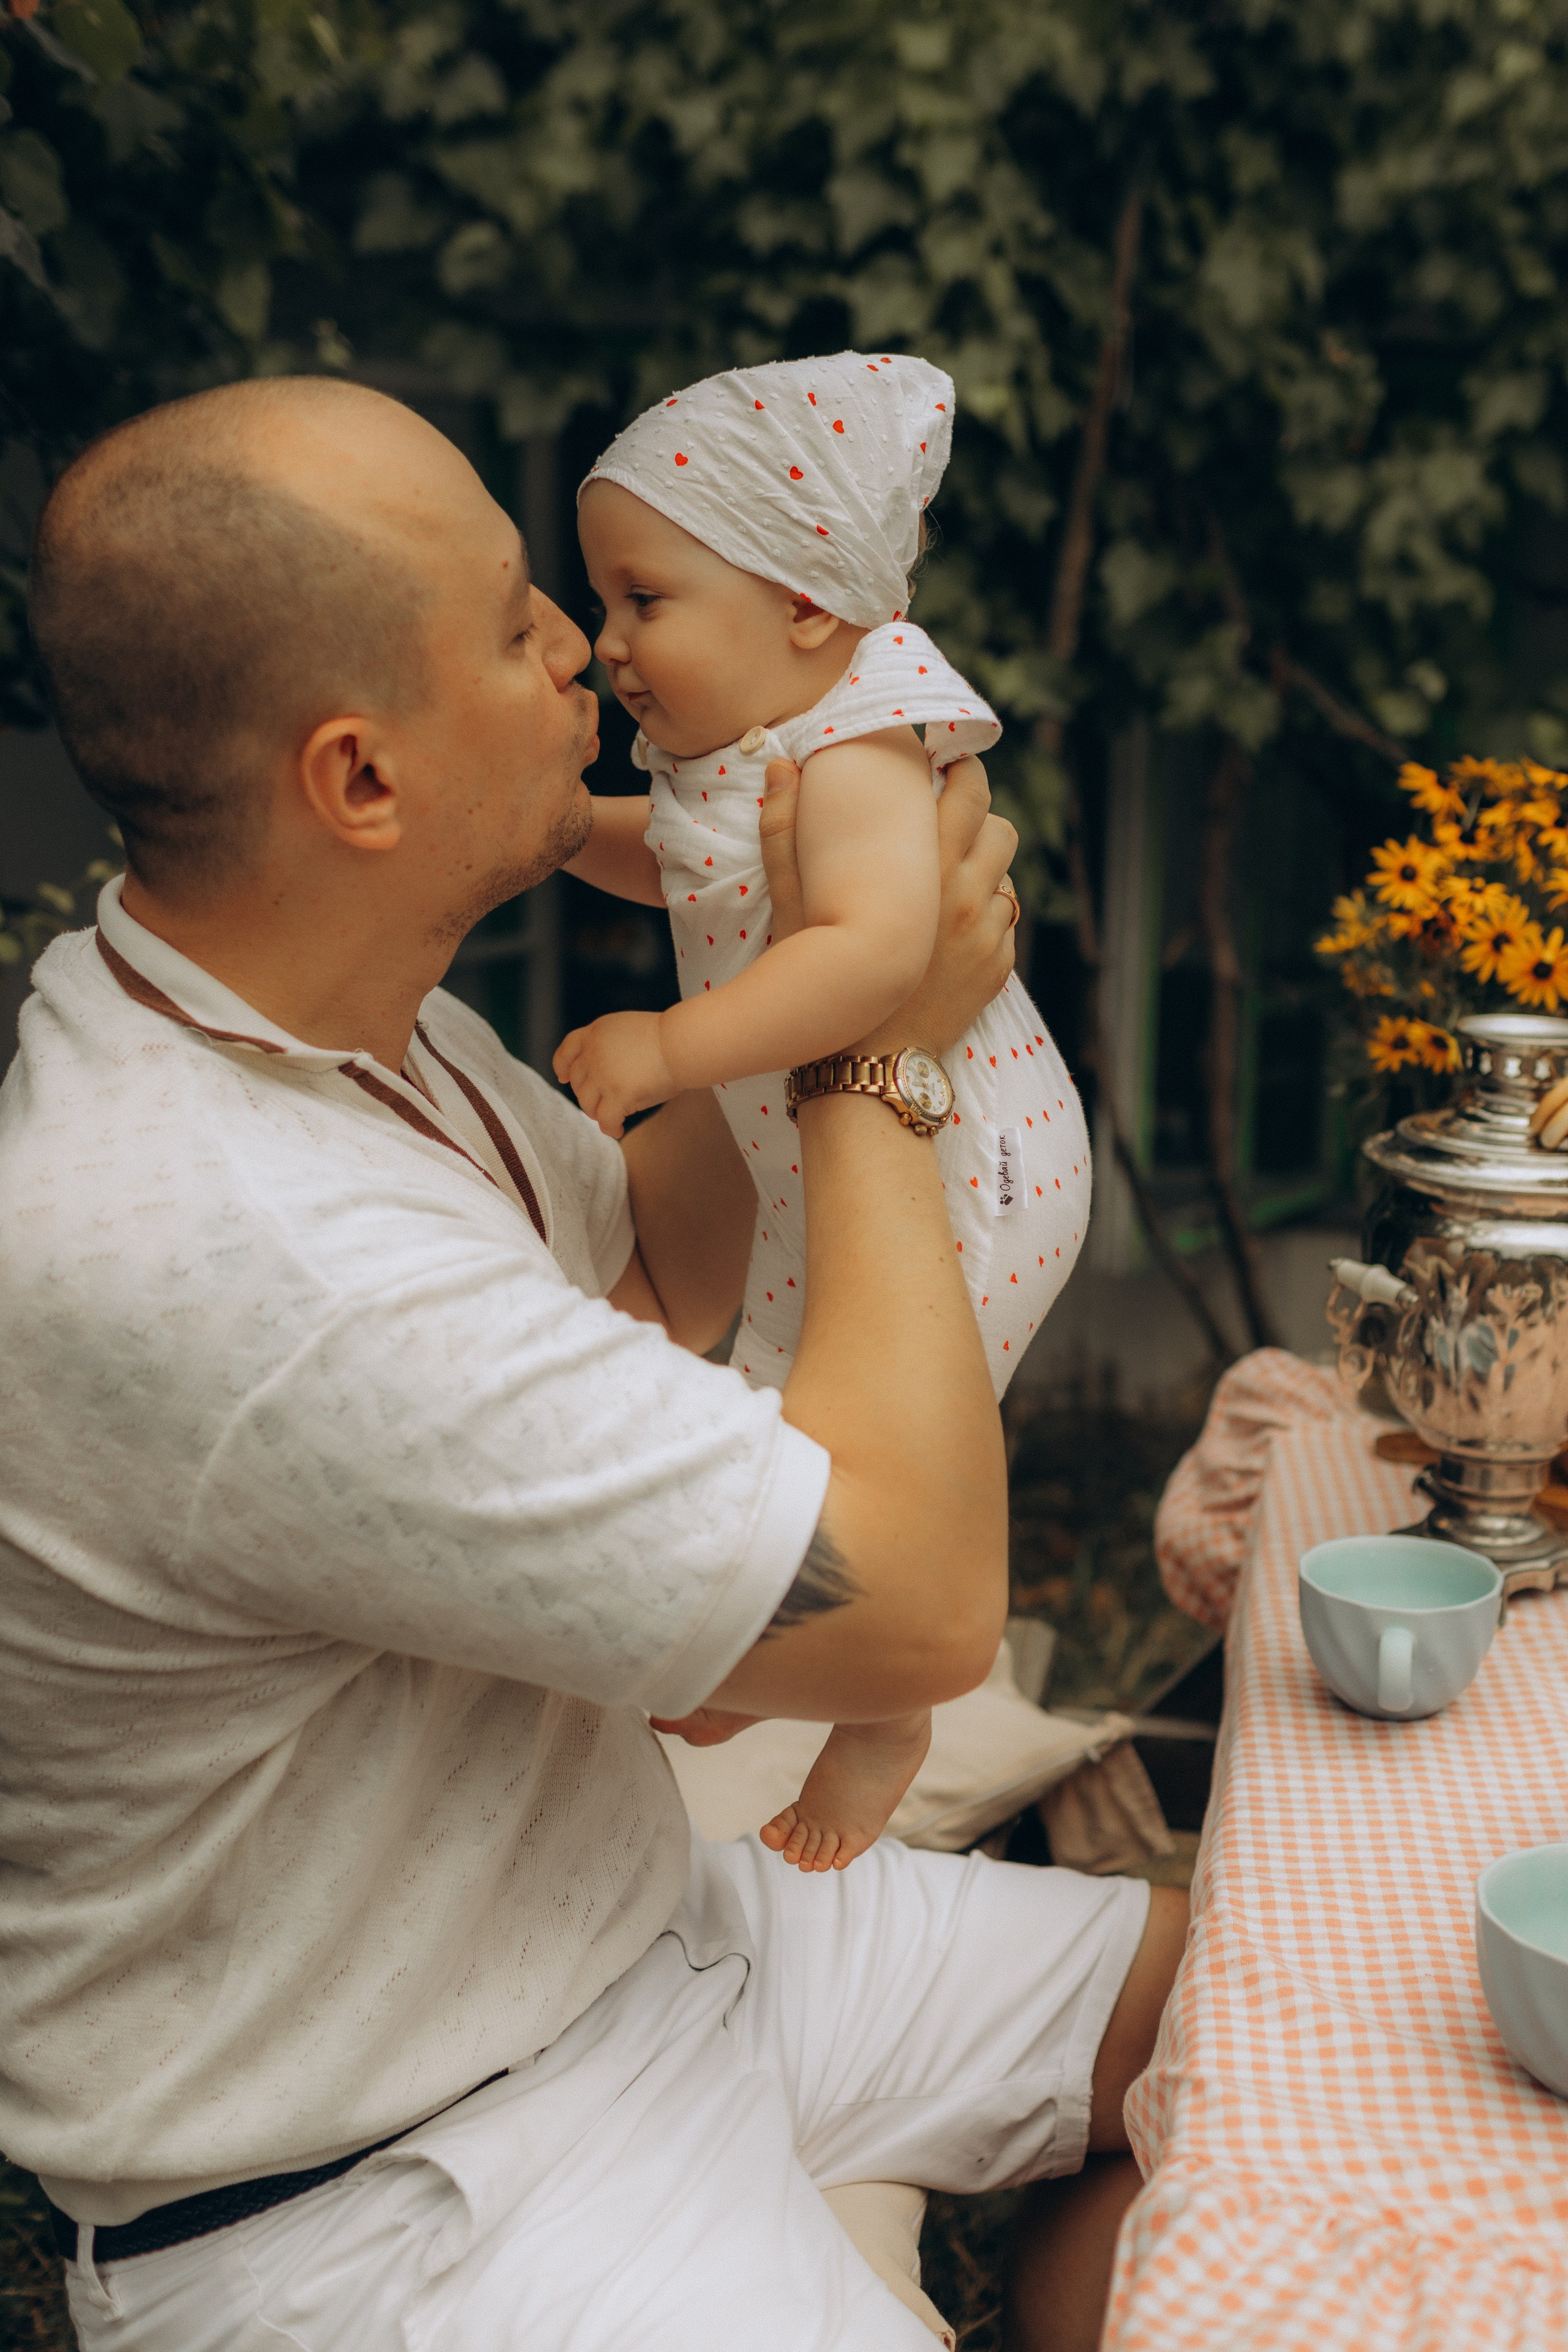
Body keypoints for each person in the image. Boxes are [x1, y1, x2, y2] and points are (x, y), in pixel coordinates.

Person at [0, 374, 1185, 2352]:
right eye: (508, 620)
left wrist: (771, 955)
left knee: (1267, 2009)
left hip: (638, 1948)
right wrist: (875, 1042)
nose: (577, 641)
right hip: (405, 2191)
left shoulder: (327, 1019)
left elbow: (658, 1276)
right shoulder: (239, 1252)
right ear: (358, 780)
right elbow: (912, 1608)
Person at [556, 350, 1091, 1873]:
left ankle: (888, 1715)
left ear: (804, 604)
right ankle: (776, 1655)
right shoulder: (734, 756)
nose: (608, 648)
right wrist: (545, 836)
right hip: (833, 1145)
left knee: (878, 1449)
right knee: (787, 1401)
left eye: (642, 601)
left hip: (973, 1158)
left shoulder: (855, 746)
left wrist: (668, 1048)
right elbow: (670, 857)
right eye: (605, 605)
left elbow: (866, 958)